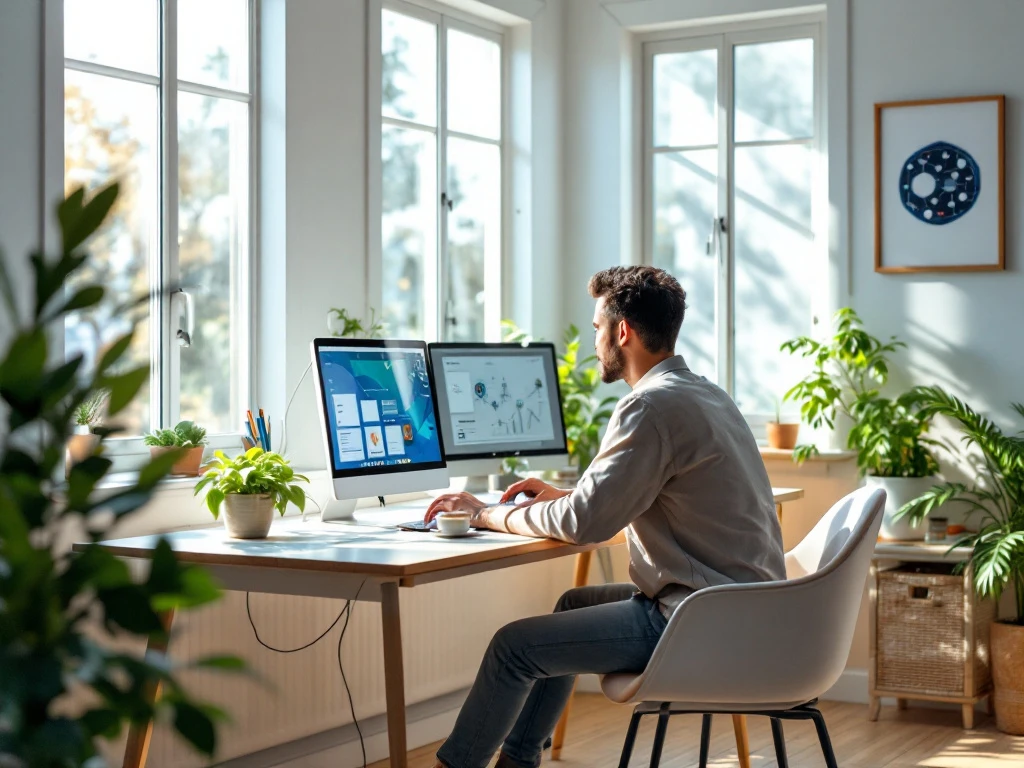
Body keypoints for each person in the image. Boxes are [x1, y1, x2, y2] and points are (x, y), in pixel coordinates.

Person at [423, 266, 785, 768]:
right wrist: (569, 494)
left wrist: (485, 514)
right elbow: (645, 493)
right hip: (749, 610)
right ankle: (518, 760)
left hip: (700, 620)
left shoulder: (649, 408)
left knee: (512, 648)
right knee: (573, 603)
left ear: (622, 332)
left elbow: (582, 525)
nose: (594, 339)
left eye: (596, 327)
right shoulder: (706, 394)